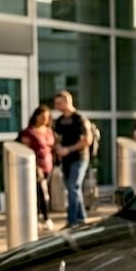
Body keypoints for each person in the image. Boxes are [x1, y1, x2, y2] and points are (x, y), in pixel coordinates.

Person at [51, 90, 91, 226]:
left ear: (68, 101)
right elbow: (56, 139)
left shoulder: (79, 119)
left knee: (73, 187)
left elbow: (87, 140)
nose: (56, 106)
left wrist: (68, 149)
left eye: (59, 103)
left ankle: (72, 221)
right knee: (73, 188)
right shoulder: (59, 121)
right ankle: (82, 218)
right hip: (66, 160)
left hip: (79, 158)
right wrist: (58, 148)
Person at [20, 104, 56, 231]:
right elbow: (25, 150)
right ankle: (44, 218)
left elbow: (52, 147)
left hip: (48, 165)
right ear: (36, 116)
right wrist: (35, 166)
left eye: (47, 117)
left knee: (44, 192)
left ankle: (43, 217)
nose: (44, 119)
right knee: (39, 193)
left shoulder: (49, 131)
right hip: (35, 167)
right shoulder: (29, 132)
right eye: (42, 116)